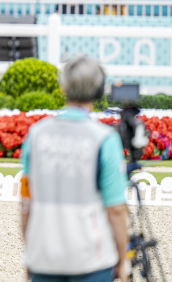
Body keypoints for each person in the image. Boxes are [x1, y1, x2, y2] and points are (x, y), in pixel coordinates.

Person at [20, 55, 129, 282]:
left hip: (44, 257)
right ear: (98, 90)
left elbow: (26, 204)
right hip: (91, 260)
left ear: (64, 88)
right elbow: (116, 209)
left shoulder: (37, 134)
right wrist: (123, 259)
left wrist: (30, 253)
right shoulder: (104, 139)